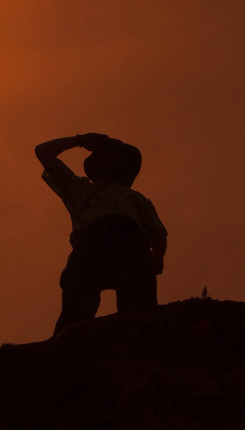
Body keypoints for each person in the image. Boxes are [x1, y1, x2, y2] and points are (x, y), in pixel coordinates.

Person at [36, 132, 167, 335]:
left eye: (118, 156)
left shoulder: (137, 198)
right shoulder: (79, 188)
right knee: (77, 302)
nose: (114, 159)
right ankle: (68, 342)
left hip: (131, 244)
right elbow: (43, 152)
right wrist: (79, 140)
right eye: (109, 154)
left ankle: (141, 337)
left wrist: (158, 256)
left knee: (140, 305)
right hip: (91, 244)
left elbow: (156, 230)